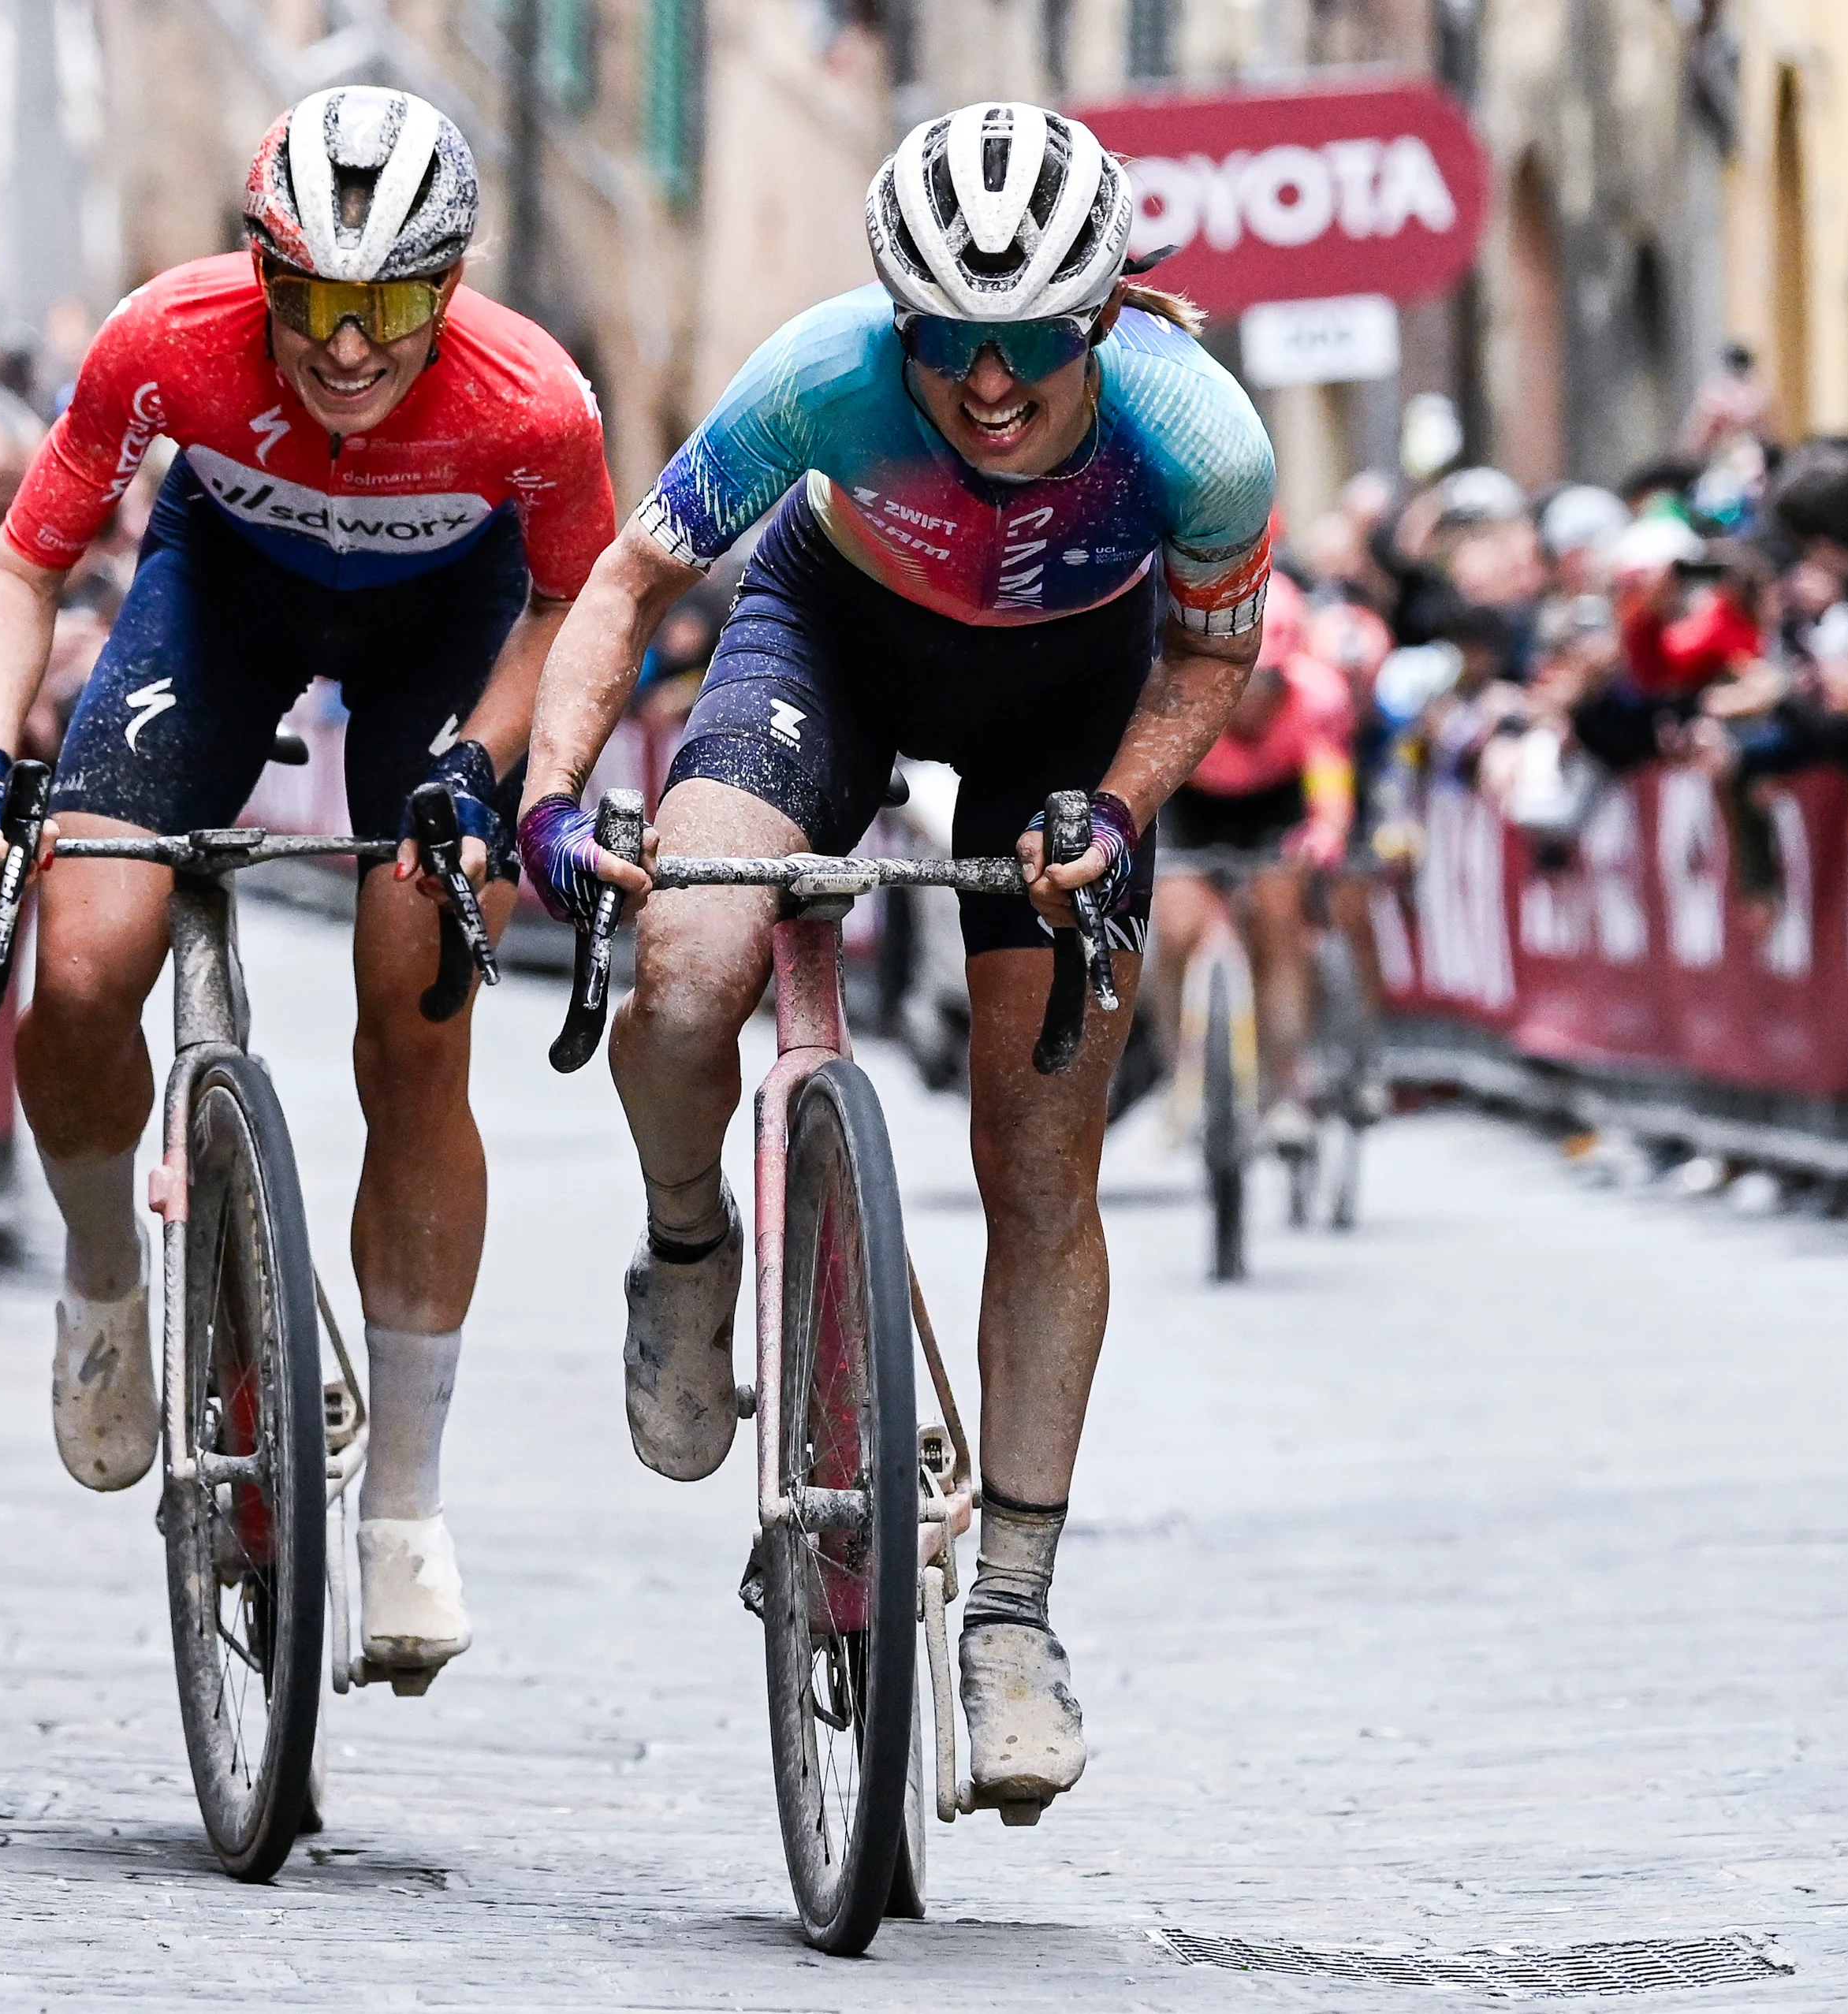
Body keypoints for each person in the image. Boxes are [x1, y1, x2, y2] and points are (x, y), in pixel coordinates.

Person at [514, 101, 1273, 1819]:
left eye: (1029, 345)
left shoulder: (1200, 439)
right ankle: (689, 1239)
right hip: (829, 640)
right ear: (893, 318)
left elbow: (1216, 654)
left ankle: (1010, 1610)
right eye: (946, 342)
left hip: (1066, 701)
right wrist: (558, 797)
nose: (987, 385)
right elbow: (633, 579)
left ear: (1105, 317)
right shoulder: (820, 374)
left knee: (1038, 1150)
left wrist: (1127, 801)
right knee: (695, 957)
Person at [0, 87, 613, 1684]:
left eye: (389, 306)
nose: (351, 345)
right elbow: (29, 560)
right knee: (86, 957)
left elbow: (586, 604)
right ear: (262, 274)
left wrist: (489, 760)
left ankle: (403, 1511)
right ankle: (105, 1274)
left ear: (445, 291)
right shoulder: (165, 340)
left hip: (444, 628)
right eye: (313, 300)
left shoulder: (537, 404)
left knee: (417, 1020)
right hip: (220, 595)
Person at [1146, 579, 1357, 1145]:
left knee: (1278, 920)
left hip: (1275, 809)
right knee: (1176, 924)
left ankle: (1287, 1084)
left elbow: (1330, 782)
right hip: (1194, 807)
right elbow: (1143, 783)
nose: (1251, 694)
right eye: (1239, 676)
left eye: (1266, 678)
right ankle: (1177, 1074)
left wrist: (1327, 832)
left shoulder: (1317, 699)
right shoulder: (1174, 694)